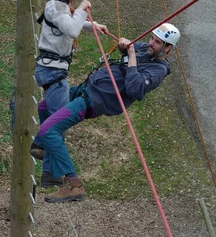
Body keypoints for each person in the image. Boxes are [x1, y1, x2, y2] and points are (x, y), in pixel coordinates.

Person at [38, 22, 180, 203]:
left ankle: (74, 184)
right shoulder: (147, 49)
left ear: (167, 48)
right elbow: (130, 50)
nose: (151, 44)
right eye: (152, 39)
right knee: (44, 107)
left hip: (94, 100)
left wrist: (131, 56)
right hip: (86, 88)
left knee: (48, 131)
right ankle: (50, 166)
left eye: (158, 42)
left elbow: (135, 88)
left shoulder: (158, 70)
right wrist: (125, 47)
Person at [30, 0, 108, 187]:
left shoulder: (59, 6)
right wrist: (83, 9)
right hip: (52, 70)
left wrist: (93, 26)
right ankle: (53, 172)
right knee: (58, 120)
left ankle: (45, 159)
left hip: (54, 69)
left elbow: (70, 23)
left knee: (54, 117)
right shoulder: (54, 6)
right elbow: (71, 29)